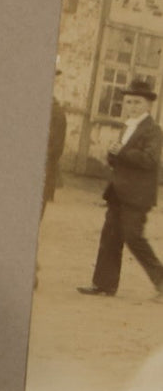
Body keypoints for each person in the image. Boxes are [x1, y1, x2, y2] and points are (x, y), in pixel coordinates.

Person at [79, 78, 163, 299]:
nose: (131, 107)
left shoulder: (153, 130)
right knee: (110, 237)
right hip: (118, 191)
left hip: (137, 195)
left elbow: (150, 160)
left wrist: (122, 151)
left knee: (133, 237)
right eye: (128, 102)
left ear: (148, 105)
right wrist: (113, 153)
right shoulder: (128, 126)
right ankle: (104, 285)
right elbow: (120, 159)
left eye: (136, 102)